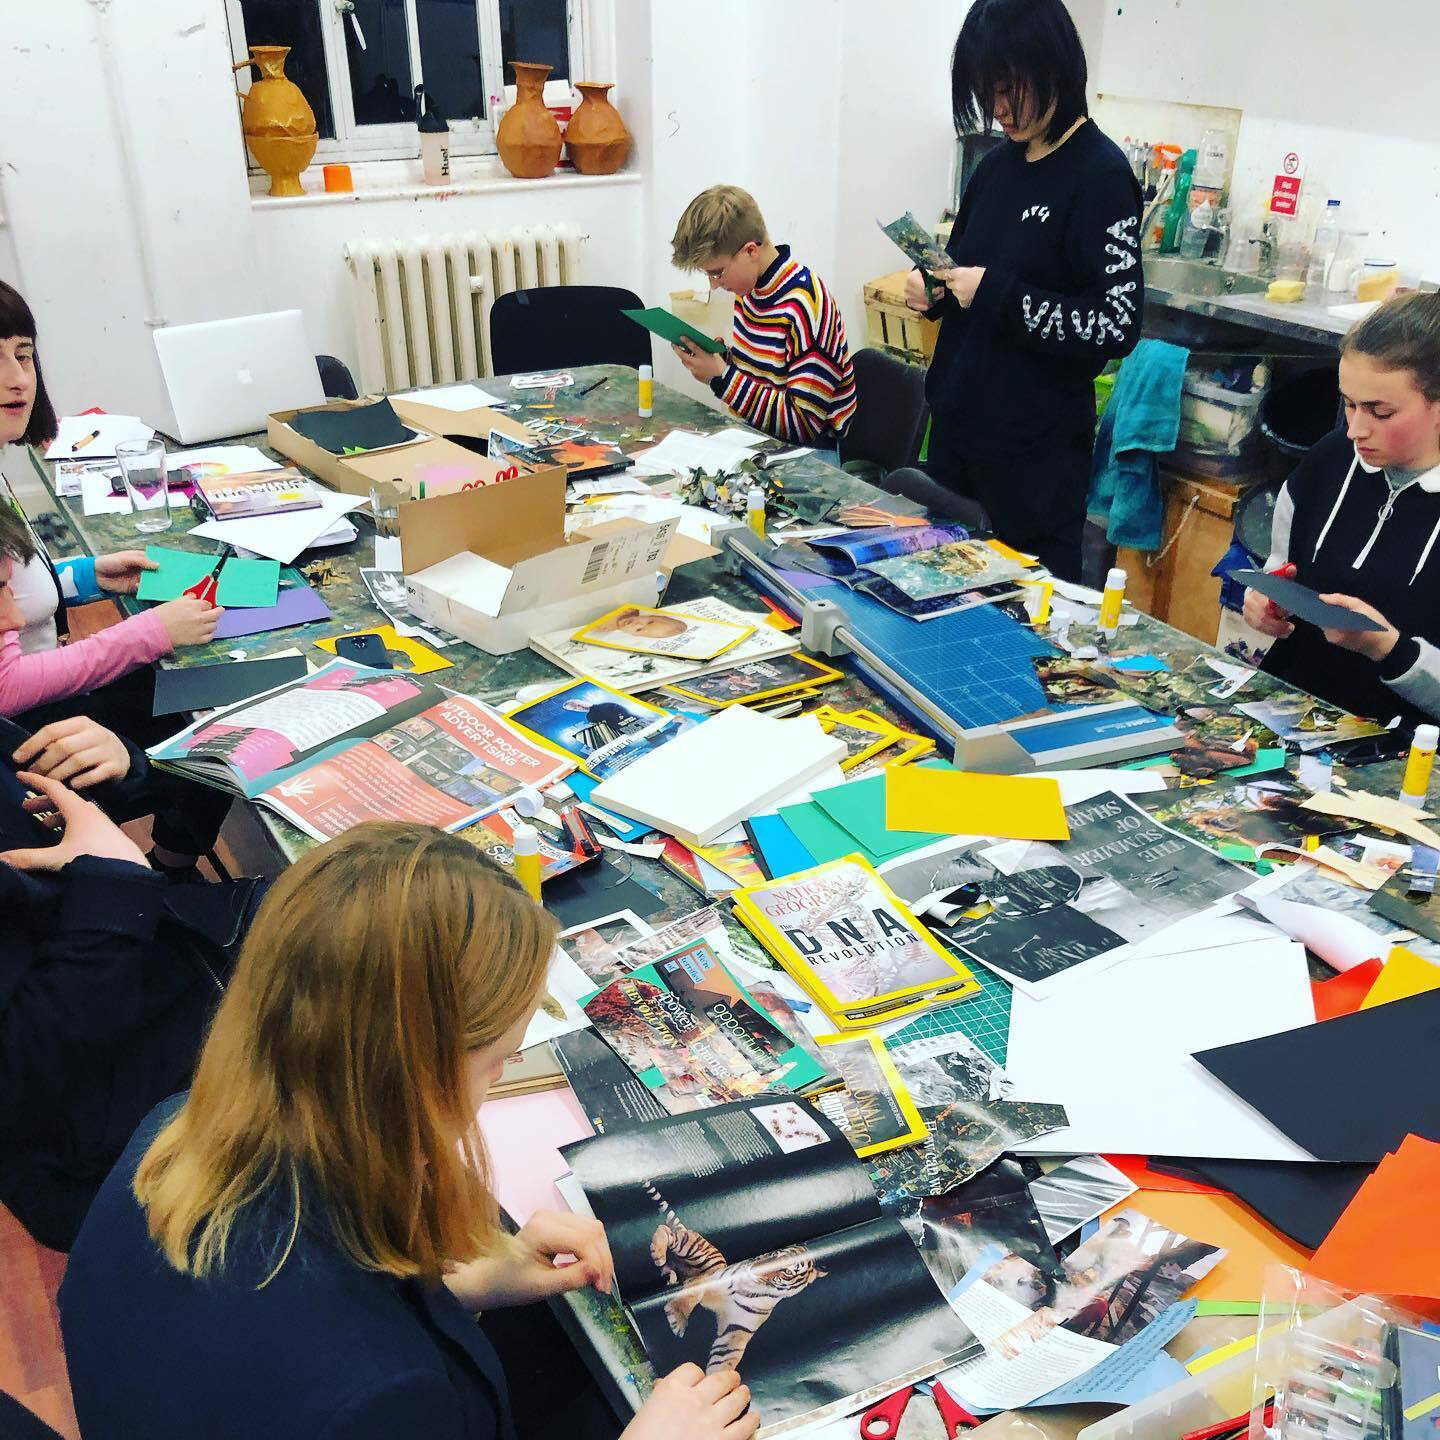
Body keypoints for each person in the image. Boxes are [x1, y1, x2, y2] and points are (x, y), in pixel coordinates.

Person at [61, 824, 758, 1440]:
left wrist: (458, 1287)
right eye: (498, 1062)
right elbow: (321, 1362)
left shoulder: (177, 1130)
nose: (499, 1078)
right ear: (415, 1073)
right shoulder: (376, 1397)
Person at [906, 0, 1143, 579]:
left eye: (1013, 89)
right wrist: (934, 289)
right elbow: (963, 272)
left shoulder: (1101, 177)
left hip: (1032, 465)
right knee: (935, 607)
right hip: (957, 439)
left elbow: (1115, 324)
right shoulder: (995, 167)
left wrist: (996, 293)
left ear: (1056, 70)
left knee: (1018, 627)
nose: (1000, 110)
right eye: (988, 91)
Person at [0, 749, 265, 1249]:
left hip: (169, 946)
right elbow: (23, 1080)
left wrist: (119, 762)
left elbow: (44, 799)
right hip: (122, 1117)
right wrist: (116, 884)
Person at [1243, 291, 1440, 725]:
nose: (1355, 429)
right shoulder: (1328, 462)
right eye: (1349, 404)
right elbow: (1280, 564)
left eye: (1381, 412)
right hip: (1296, 715)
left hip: (1406, 752)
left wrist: (1387, 648)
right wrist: (1264, 600)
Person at [670, 185, 857, 446]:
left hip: (808, 455)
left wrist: (723, 377)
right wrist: (720, 361)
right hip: (757, 439)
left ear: (750, 251)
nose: (714, 284)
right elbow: (766, 378)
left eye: (717, 272)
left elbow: (803, 424)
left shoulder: (806, 304)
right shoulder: (751, 292)